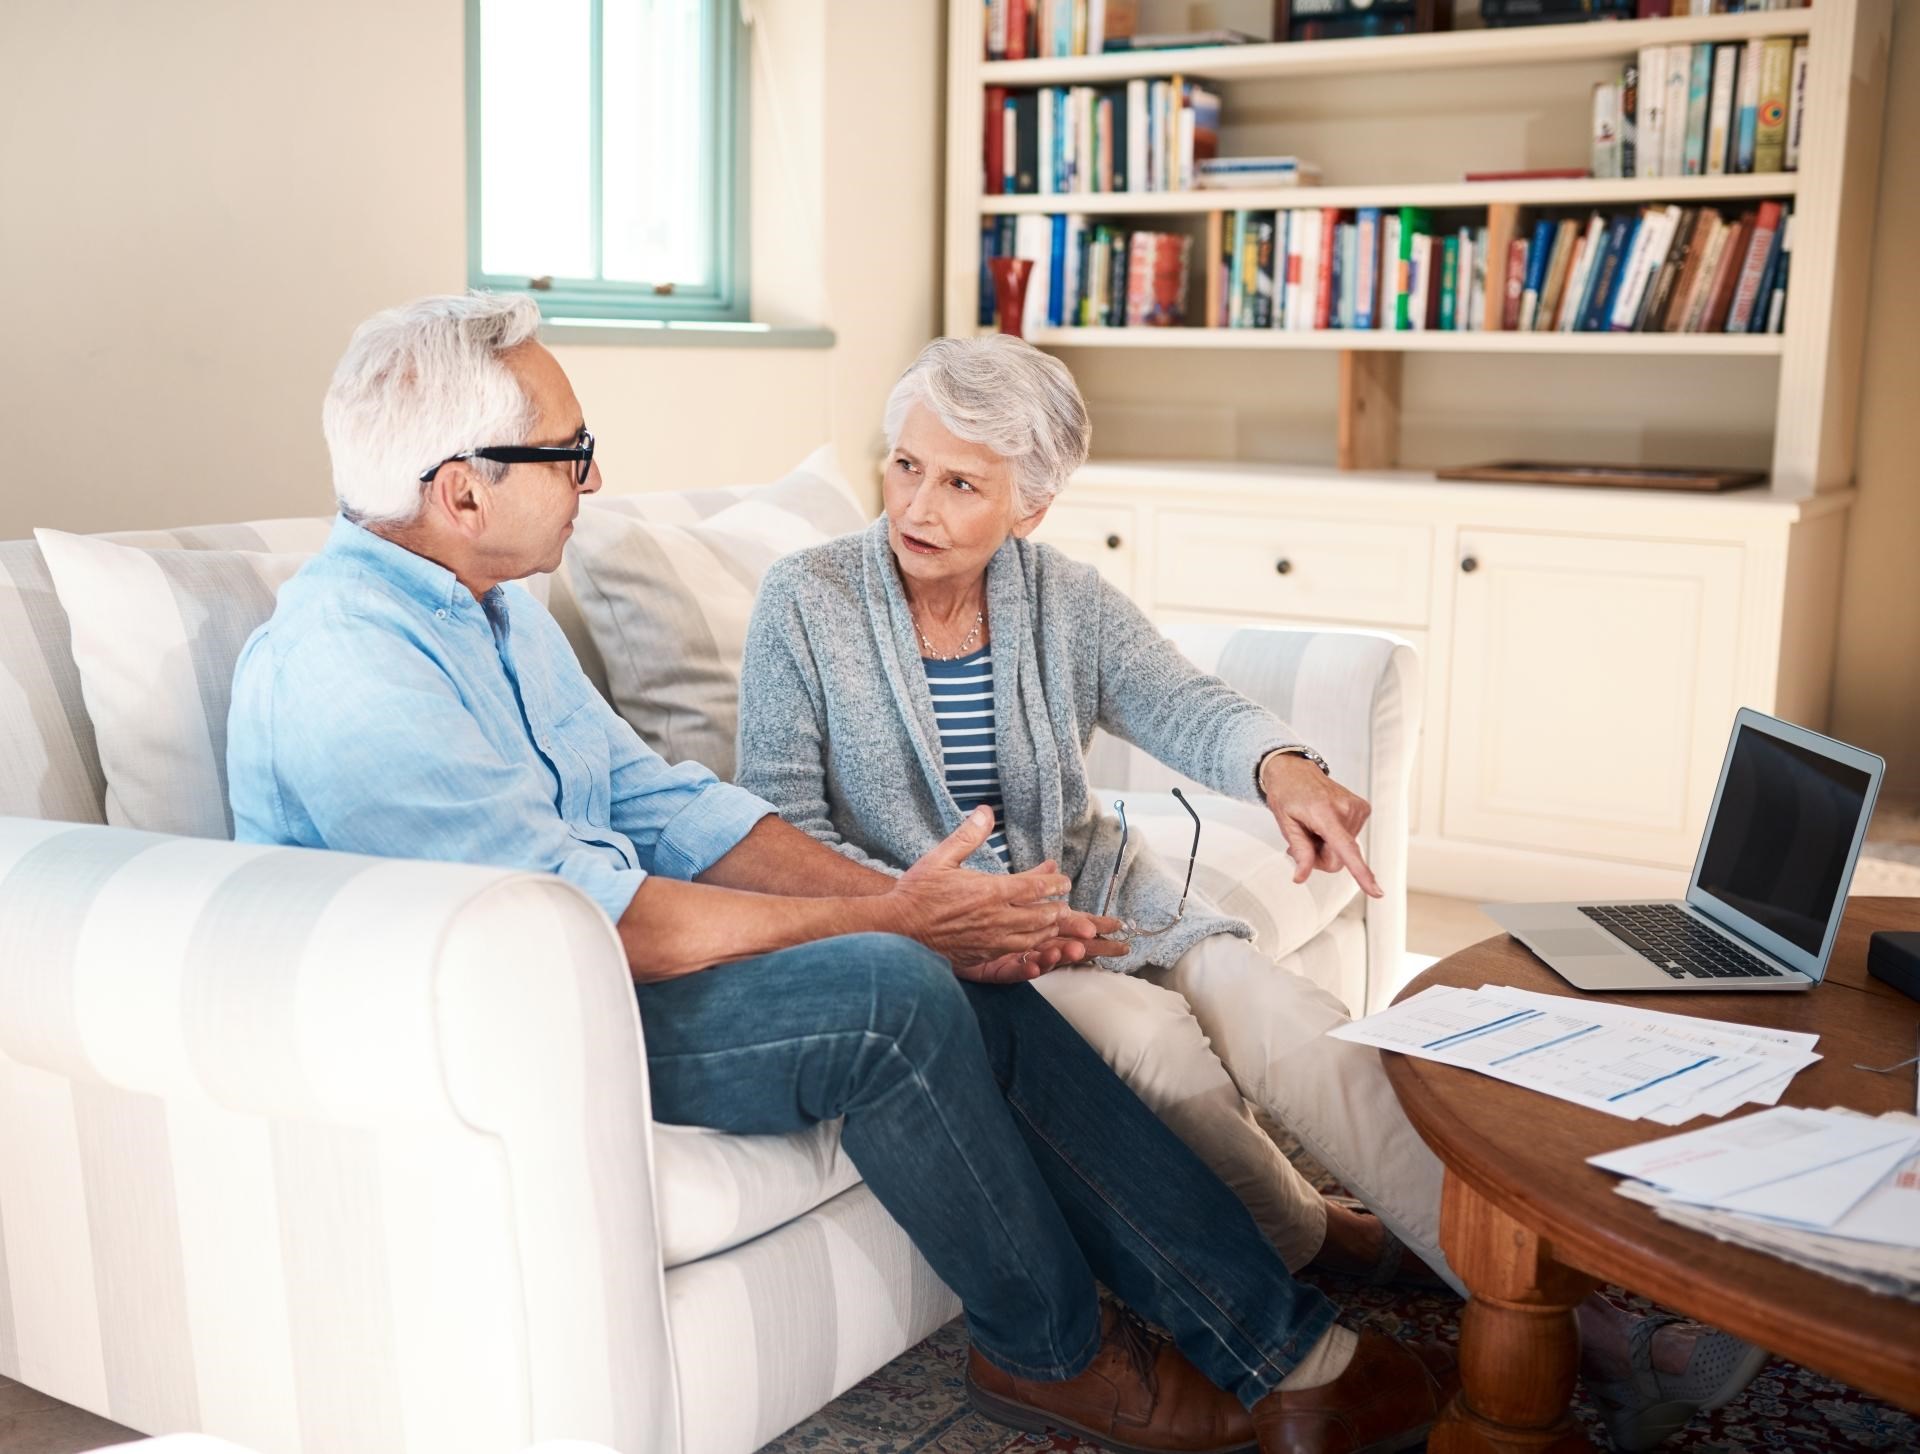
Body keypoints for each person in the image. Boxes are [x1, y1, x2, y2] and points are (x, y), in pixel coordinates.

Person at [225, 293, 1457, 1454]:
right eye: (569, 450)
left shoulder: (492, 609)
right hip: (515, 1024)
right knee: (894, 988)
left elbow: (671, 803)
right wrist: (891, 918)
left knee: (941, 964)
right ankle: (1051, 1347)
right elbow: (578, 919)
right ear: (460, 491)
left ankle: (1271, 1339)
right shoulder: (351, 670)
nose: (594, 476)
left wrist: (920, 913)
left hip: (591, 968)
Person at [734, 332, 1771, 1451]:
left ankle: (1567, 1305)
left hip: (1095, 893)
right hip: (956, 948)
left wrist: (1285, 769)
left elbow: (1182, 700)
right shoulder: (810, 598)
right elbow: (779, 823)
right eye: (904, 465)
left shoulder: (1060, 597)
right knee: (1163, 1057)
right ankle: (1335, 1243)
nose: (915, 504)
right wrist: (938, 914)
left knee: (1295, 1024)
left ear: (1029, 509)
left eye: (959, 482)